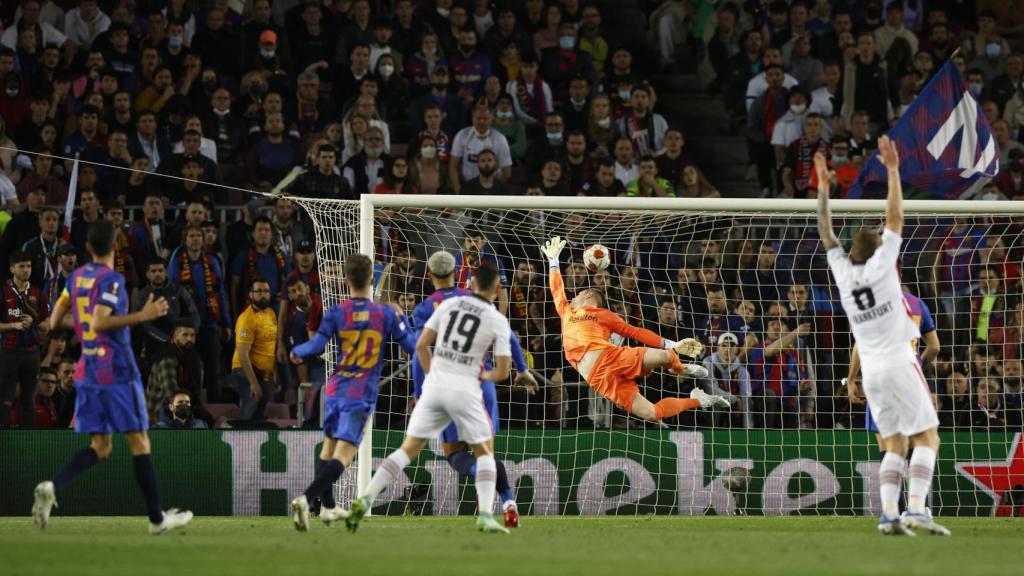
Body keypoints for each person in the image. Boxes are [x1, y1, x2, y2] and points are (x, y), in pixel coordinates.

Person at [816, 142, 949, 536]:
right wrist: (893, 170)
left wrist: (825, 189)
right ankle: (917, 510)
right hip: (899, 361)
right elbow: (896, 217)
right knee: (927, 437)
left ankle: (889, 515)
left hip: (870, 370)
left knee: (893, 444)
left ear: (851, 252)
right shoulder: (885, 270)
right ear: (878, 254)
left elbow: (825, 231)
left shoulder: (841, 272)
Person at [33, 219, 192, 534]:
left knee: (102, 447)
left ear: (88, 248)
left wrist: (82, 326)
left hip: (88, 370)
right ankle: (156, 520)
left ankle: (53, 486)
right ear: (115, 245)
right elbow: (101, 322)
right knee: (140, 441)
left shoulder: (76, 278)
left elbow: (53, 320)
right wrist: (142, 316)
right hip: (116, 370)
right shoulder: (113, 281)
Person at [345, 263, 514, 534]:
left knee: (408, 450)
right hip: (466, 388)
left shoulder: (447, 306)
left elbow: (420, 345)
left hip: (435, 385)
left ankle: (365, 500)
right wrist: (486, 376)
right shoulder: (496, 320)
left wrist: (430, 374)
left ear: (471, 284)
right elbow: (503, 371)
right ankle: (484, 515)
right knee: (484, 454)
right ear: (497, 289)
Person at [287, 253, 417, 530]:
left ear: (346, 280)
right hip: (360, 392)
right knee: (344, 457)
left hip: (335, 387)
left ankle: (328, 508)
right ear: (372, 278)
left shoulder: (336, 311)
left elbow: (315, 347)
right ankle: (307, 499)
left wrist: (295, 351)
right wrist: (403, 319)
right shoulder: (385, 313)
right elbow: (412, 346)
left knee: (329, 448)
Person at [411, 251, 537, 528]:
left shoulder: (424, 309)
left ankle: (484, 481)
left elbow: (419, 351)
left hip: (449, 384)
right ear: (457, 272)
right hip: (482, 382)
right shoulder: (471, 300)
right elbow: (507, 334)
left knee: (455, 453)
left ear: (429, 275)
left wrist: (420, 393)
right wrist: (522, 369)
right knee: (486, 452)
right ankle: (508, 501)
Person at [541, 236, 727, 423]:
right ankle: (698, 399)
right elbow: (557, 290)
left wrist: (673, 344)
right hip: (599, 379)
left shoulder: (603, 315)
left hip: (611, 358)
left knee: (665, 356)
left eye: (578, 294)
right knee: (651, 413)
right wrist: (553, 262)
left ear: (588, 295)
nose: (573, 297)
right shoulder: (566, 311)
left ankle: (679, 368)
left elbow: (634, 332)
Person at [847, 284, 940, 512]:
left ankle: (894, 511)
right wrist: (920, 365)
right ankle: (921, 508)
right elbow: (935, 347)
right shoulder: (918, 304)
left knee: (888, 448)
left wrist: (851, 379)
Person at [1, 250, 48, 427]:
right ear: (12, 269)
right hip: (8, 351)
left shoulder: (37, 291)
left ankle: (30, 441)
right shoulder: (4, 292)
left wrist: (34, 321)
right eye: (22, 266)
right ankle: (3, 438)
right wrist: (13, 326)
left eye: (28, 266)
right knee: (6, 398)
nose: (26, 270)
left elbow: (48, 323)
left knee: (29, 399)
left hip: (31, 352)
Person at [231, 279, 278, 420]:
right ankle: (235, 437)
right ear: (251, 295)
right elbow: (243, 353)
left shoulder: (271, 313)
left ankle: (253, 440)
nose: (263, 294)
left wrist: (274, 371)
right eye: (258, 291)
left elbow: (270, 345)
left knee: (259, 409)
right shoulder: (246, 319)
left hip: (263, 371)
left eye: (266, 291)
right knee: (252, 403)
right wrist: (253, 382)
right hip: (244, 369)